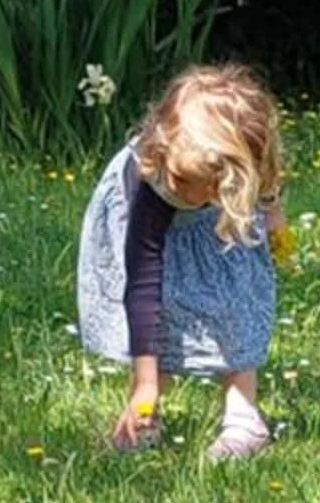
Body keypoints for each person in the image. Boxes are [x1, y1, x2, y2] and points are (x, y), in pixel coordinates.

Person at [76, 63, 288, 460]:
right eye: (179, 177)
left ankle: (244, 418)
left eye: (194, 183)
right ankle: (144, 414)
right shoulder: (157, 175)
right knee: (168, 305)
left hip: (214, 224)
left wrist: (273, 212)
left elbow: (268, 175)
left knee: (235, 301)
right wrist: (145, 382)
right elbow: (142, 285)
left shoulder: (245, 163)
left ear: (229, 178)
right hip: (152, 236)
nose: (180, 188)